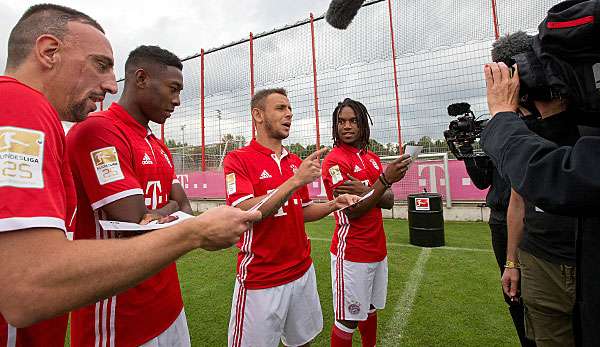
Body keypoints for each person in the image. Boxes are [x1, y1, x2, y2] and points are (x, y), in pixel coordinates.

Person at [0, 5, 260, 344]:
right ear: (49, 51)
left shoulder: (32, 112)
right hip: (119, 320)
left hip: (160, 304)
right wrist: (194, 232)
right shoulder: (20, 104)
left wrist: (170, 216)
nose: (110, 84)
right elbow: (27, 285)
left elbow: (178, 204)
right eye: (101, 65)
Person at [66, 45, 194, 346]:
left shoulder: (157, 144)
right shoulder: (99, 131)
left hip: (169, 304)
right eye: (173, 89)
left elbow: (186, 206)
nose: (177, 101)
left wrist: (162, 211)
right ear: (141, 79)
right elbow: (134, 224)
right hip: (119, 315)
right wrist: (171, 207)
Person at [224, 88, 359, 347]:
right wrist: (295, 180)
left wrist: (334, 204)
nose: (289, 114)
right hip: (261, 279)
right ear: (258, 115)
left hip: (301, 272)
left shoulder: (295, 161)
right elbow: (244, 212)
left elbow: (302, 211)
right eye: (280, 108)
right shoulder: (238, 159)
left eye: (289, 108)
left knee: (302, 342)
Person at [320, 98, 410, 347]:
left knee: (370, 309)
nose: (346, 126)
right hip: (351, 253)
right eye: (341, 121)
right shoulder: (334, 161)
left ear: (362, 125)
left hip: (377, 249)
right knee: (347, 319)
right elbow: (353, 210)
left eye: (353, 121)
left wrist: (371, 188)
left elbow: (389, 200)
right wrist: (382, 182)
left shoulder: (370, 157)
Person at [502, 99, 578, 346]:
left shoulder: (585, 125)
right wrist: (511, 262)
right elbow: (517, 203)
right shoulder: (527, 133)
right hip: (539, 259)